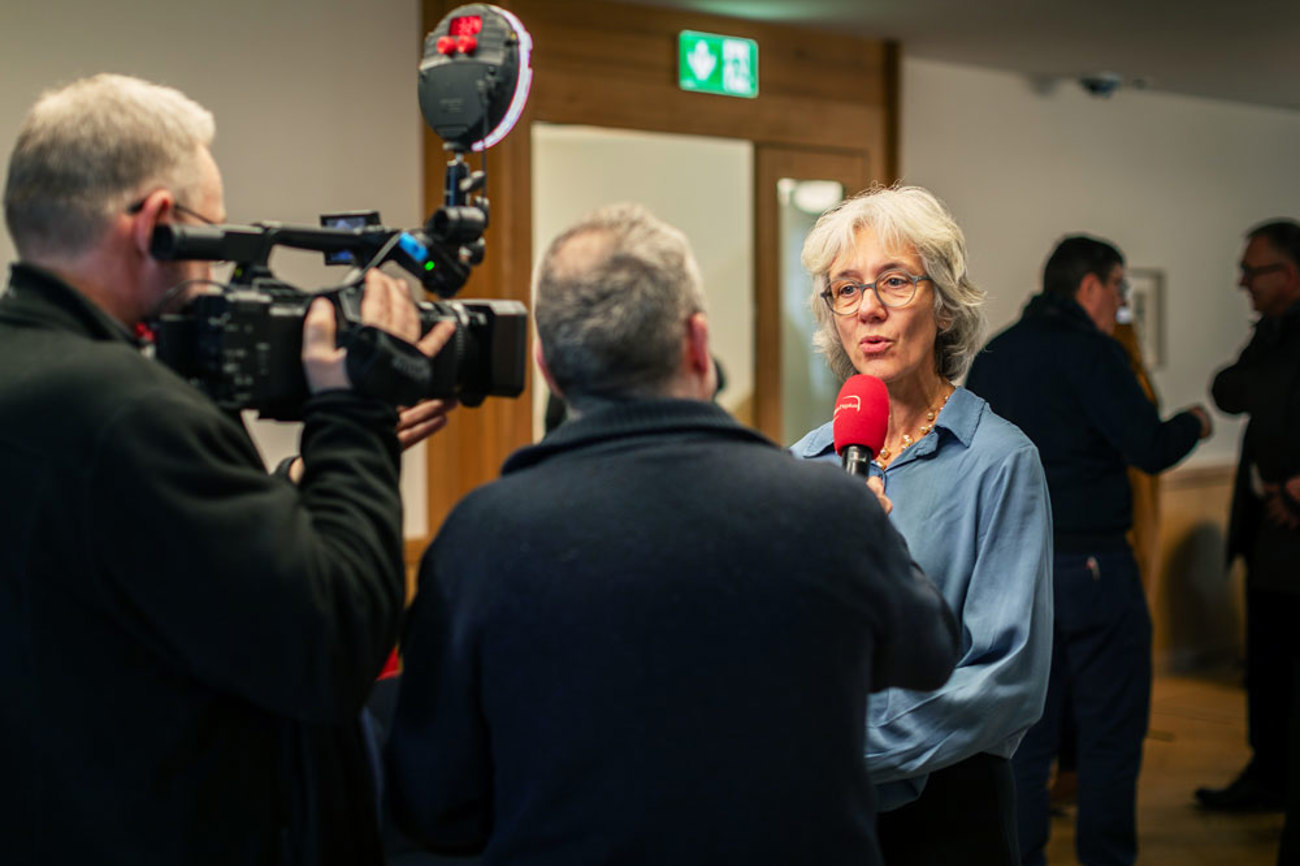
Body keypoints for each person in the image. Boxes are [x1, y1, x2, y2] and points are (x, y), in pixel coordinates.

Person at [385, 202, 961, 865]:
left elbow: (434, 803)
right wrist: (867, 524)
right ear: (697, 344)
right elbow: (931, 654)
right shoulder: (830, 510)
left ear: (546, 366)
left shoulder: (477, 540)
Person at [0, 74, 454, 864]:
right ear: (158, 225)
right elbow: (331, 648)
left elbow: (119, 572)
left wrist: (286, 499)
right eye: (219, 230)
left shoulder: (39, 381)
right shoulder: (129, 412)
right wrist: (355, 419)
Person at [790, 185, 1054, 866]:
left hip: (946, 809)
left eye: (895, 282)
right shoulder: (806, 461)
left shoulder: (999, 460)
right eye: (845, 290)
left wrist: (851, 750)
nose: (868, 308)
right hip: (817, 806)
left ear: (942, 302)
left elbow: (1005, 679)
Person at [966, 234, 1211, 866]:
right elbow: (1149, 449)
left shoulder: (996, 354)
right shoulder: (1094, 354)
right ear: (1090, 286)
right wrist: (1196, 423)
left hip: (1012, 569)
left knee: (1025, 738)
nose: (1120, 304)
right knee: (1109, 734)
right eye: (1120, 290)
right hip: (1094, 569)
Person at [1196, 220, 1300, 829]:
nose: (1242, 282)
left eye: (1253, 270)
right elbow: (1228, 390)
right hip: (1269, 526)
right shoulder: (1273, 334)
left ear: (1288, 274)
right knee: (1266, 660)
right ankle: (1267, 773)